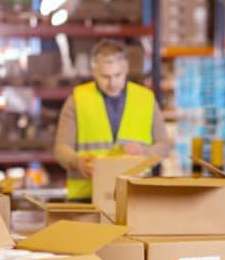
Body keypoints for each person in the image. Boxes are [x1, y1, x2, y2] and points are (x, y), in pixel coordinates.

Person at [55, 40, 172, 202]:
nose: (112, 83)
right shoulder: (77, 99)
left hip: (135, 195)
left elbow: (164, 145)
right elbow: (61, 148)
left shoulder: (146, 99)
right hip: (87, 197)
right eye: (105, 76)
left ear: (126, 70)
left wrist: (145, 152)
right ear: (94, 72)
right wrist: (77, 162)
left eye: (118, 75)